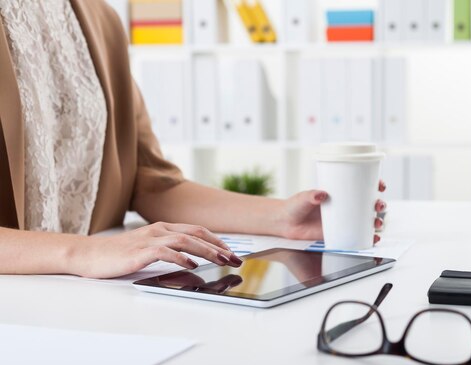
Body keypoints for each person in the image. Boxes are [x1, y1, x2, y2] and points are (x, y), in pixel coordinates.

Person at [0, 0, 385, 279]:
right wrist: (81, 253)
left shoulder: (100, 20)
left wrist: (281, 218)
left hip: (88, 299)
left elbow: (150, 183)